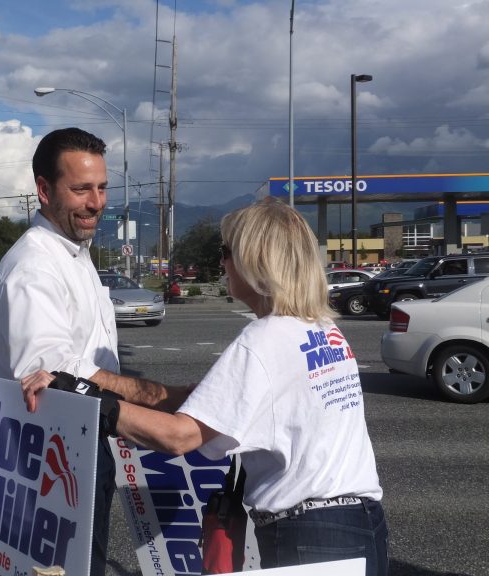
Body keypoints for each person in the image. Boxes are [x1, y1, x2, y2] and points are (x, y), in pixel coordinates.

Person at [21, 197, 389, 575]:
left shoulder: (264, 338)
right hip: (363, 520)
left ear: (256, 260)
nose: (222, 262)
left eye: (226, 251)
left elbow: (180, 437)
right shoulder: (324, 329)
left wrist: (84, 396)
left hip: (310, 535)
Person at [0, 127, 186, 576]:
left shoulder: (73, 252)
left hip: (78, 451)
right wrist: (154, 396)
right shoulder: (34, 267)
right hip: (50, 466)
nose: (96, 202)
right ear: (43, 190)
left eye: (101, 188)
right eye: (80, 189)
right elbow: (53, 375)